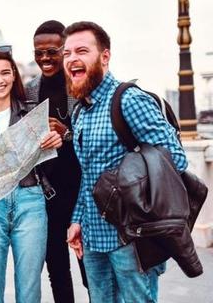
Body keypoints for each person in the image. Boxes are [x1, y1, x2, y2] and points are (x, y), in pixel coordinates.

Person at [63, 21, 188, 303]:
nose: (72, 59)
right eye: (67, 53)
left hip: (132, 238)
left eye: (82, 50)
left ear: (104, 56)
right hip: (94, 238)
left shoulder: (129, 100)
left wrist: (122, 188)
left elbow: (175, 160)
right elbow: (88, 174)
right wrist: (77, 220)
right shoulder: (80, 112)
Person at [0, 45, 63, 302]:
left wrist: (55, 143)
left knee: (29, 290)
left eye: (5, 73)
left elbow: (45, 165)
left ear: (14, 76)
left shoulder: (32, 113)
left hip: (30, 200)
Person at [24, 20, 88, 303]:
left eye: (52, 51)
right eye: (39, 52)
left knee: (91, 267)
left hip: (82, 192)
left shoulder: (81, 83)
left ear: (65, 50)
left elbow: (98, 135)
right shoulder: (28, 91)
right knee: (57, 268)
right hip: (46, 193)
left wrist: (67, 133)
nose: (45, 58)